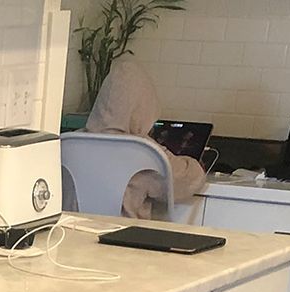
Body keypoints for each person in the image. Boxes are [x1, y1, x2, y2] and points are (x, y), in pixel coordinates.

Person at [85, 58, 209, 219]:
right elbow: (187, 180)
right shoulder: (142, 152)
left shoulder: (70, 143)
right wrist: (197, 166)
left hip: (74, 235)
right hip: (122, 238)